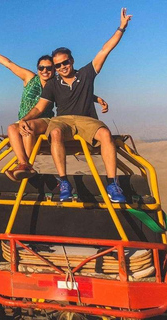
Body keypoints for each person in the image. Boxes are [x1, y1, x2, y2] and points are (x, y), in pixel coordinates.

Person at [18, 8, 132, 202]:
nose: (62, 67)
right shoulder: (53, 84)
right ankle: (64, 182)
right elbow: (39, 107)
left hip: (87, 120)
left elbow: (105, 49)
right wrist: (25, 119)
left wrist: (121, 28)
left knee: (105, 134)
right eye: (58, 65)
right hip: (62, 121)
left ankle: (112, 184)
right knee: (55, 133)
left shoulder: (86, 74)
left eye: (65, 62)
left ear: (72, 61)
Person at [0, 40, 108, 181]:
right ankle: (23, 163)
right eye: (41, 68)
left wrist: (96, 99)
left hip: (44, 122)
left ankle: (25, 165)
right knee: (12, 128)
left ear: (54, 69)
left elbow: (74, 93)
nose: (45, 71)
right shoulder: (30, 78)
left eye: (49, 68)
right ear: (37, 68)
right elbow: (9, 64)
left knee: (28, 130)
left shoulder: (56, 83)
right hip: (25, 118)